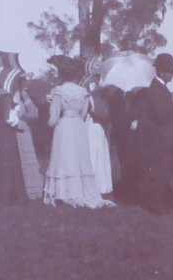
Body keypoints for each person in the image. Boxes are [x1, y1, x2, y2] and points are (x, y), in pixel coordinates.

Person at [43, 59, 115, 208]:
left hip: (63, 125)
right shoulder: (83, 91)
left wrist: (52, 119)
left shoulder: (59, 91)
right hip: (78, 125)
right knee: (78, 159)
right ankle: (79, 191)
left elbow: (53, 117)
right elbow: (83, 113)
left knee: (63, 158)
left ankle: (63, 192)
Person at [134, 53, 173, 212]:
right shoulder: (156, 89)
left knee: (162, 170)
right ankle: (157, 206)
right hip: (160, 137)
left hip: (161, 137)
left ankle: (160, 203)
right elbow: (160, 114)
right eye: (170, 71)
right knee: (161, 171)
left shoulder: (159, 88)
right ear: (162, 72)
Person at [13, 83, 44, 200]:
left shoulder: (23, 96)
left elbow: (34, 114)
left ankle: (32, 189)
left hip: (25, 131)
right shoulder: (9, 97)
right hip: (14, 131)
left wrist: (25, 97)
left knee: (28, 159)